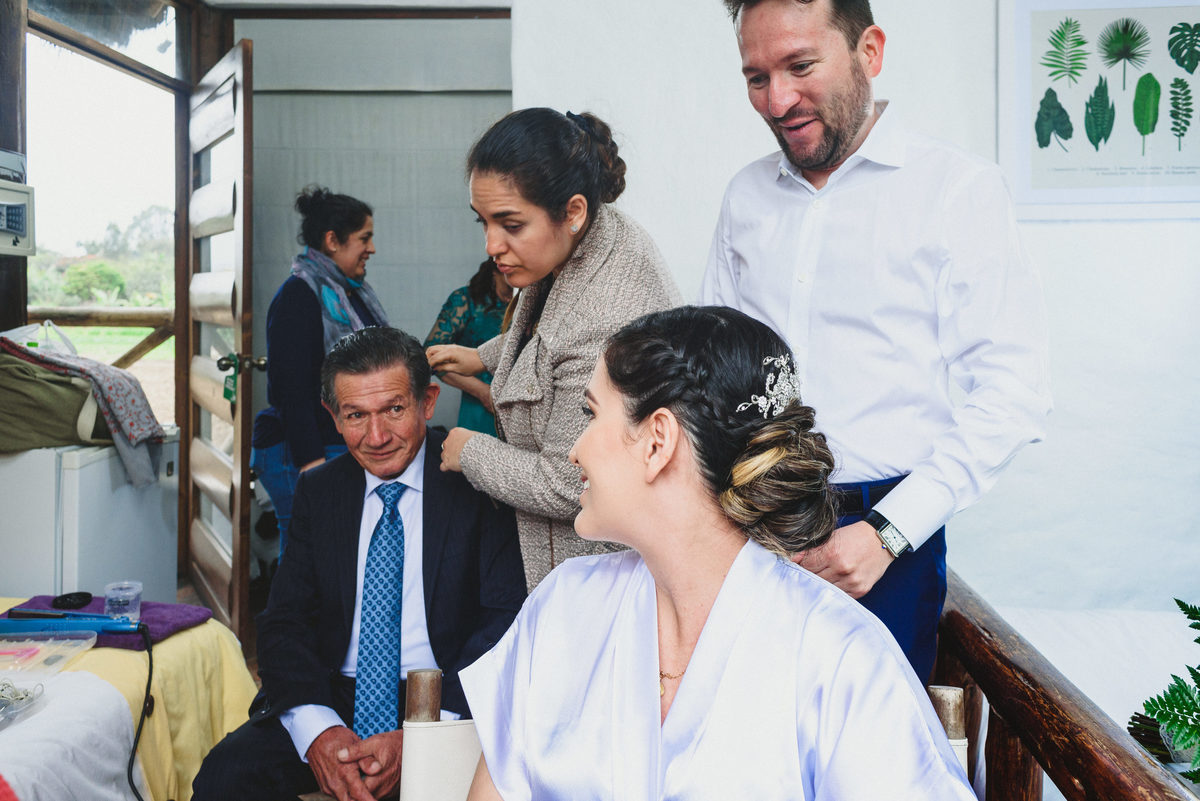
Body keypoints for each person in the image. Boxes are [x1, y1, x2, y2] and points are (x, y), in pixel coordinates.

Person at [459, 306, 976, 800]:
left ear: (657, 440)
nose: (576, 448)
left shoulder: (839, 655)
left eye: (592, 415)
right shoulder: (562, 608)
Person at [699, 0, 1052, 682]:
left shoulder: (957, 191)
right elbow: (718, 379)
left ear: (870, 51)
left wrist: (891, 532)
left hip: (886, 530)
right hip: (755, 521)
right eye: (756, 77)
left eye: (800, 66)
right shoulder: (744, 197)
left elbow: (1014, 393)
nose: (778, 99)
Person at [194, 327, 527, 801]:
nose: (376, 437)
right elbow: (284, 621)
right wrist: (320, 732)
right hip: (334, 694)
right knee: (226, 775)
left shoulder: (476, 485)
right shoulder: (322, 491)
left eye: (394, 409)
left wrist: (425, 736)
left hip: (443, 699)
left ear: (427, 402)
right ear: (333, 416)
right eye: (356, 415)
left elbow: (504, 619)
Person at [426, 108, 681, 589]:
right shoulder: (589, 239)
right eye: (483, 222)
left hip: (598, 569)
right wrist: (484, 355)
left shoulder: (605, 316)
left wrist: (470, 451)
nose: (491, 245)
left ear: (573, 211)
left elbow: (570, 484)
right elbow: (550, 338)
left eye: (510, 225)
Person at [251, 186, 388, 558]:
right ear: (332, 240)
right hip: (299, 451)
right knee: (305, 559)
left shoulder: (352, 293)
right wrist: (312, 467)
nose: (371, 248)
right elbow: (291, 391)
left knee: (333, 556)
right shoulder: (298, 296)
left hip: (335, 444)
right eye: (364, 238)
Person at [423, 258, 512, 437]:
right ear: (496, 270)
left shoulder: (528, 301)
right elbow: (430, 356)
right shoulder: (465, 301)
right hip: (480, 407)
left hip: (517, 407)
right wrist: (482, 392)